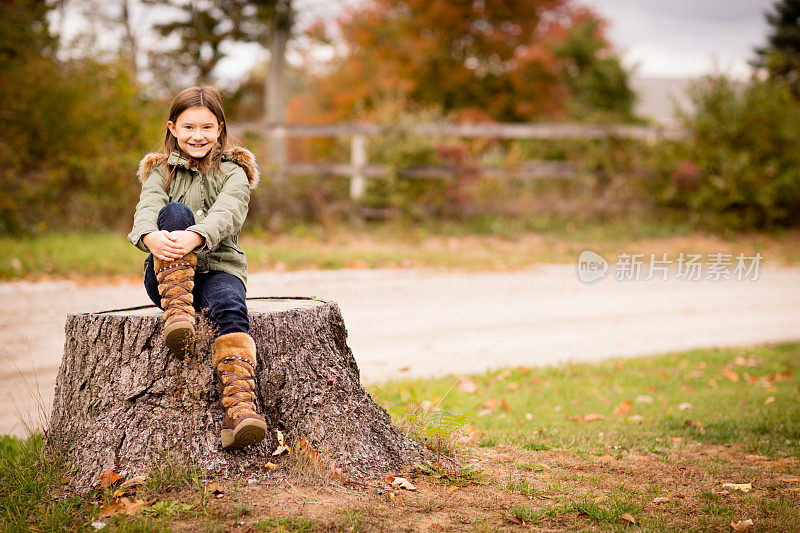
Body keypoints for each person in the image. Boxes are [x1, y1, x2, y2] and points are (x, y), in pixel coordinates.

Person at [127, 85, 267, 451]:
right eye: (188, 127)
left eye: (207, 127)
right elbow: (147, 208)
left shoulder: (234, 172)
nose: (198, 136)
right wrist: (149, 237)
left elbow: (229, 213)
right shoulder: (160, 173)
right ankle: (178, 315)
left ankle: (238, 408)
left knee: (232, 308)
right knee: (171, 213)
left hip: (219, 267)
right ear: (172, 128)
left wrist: (196, 235)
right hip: (165, 275)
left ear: (220, 128)